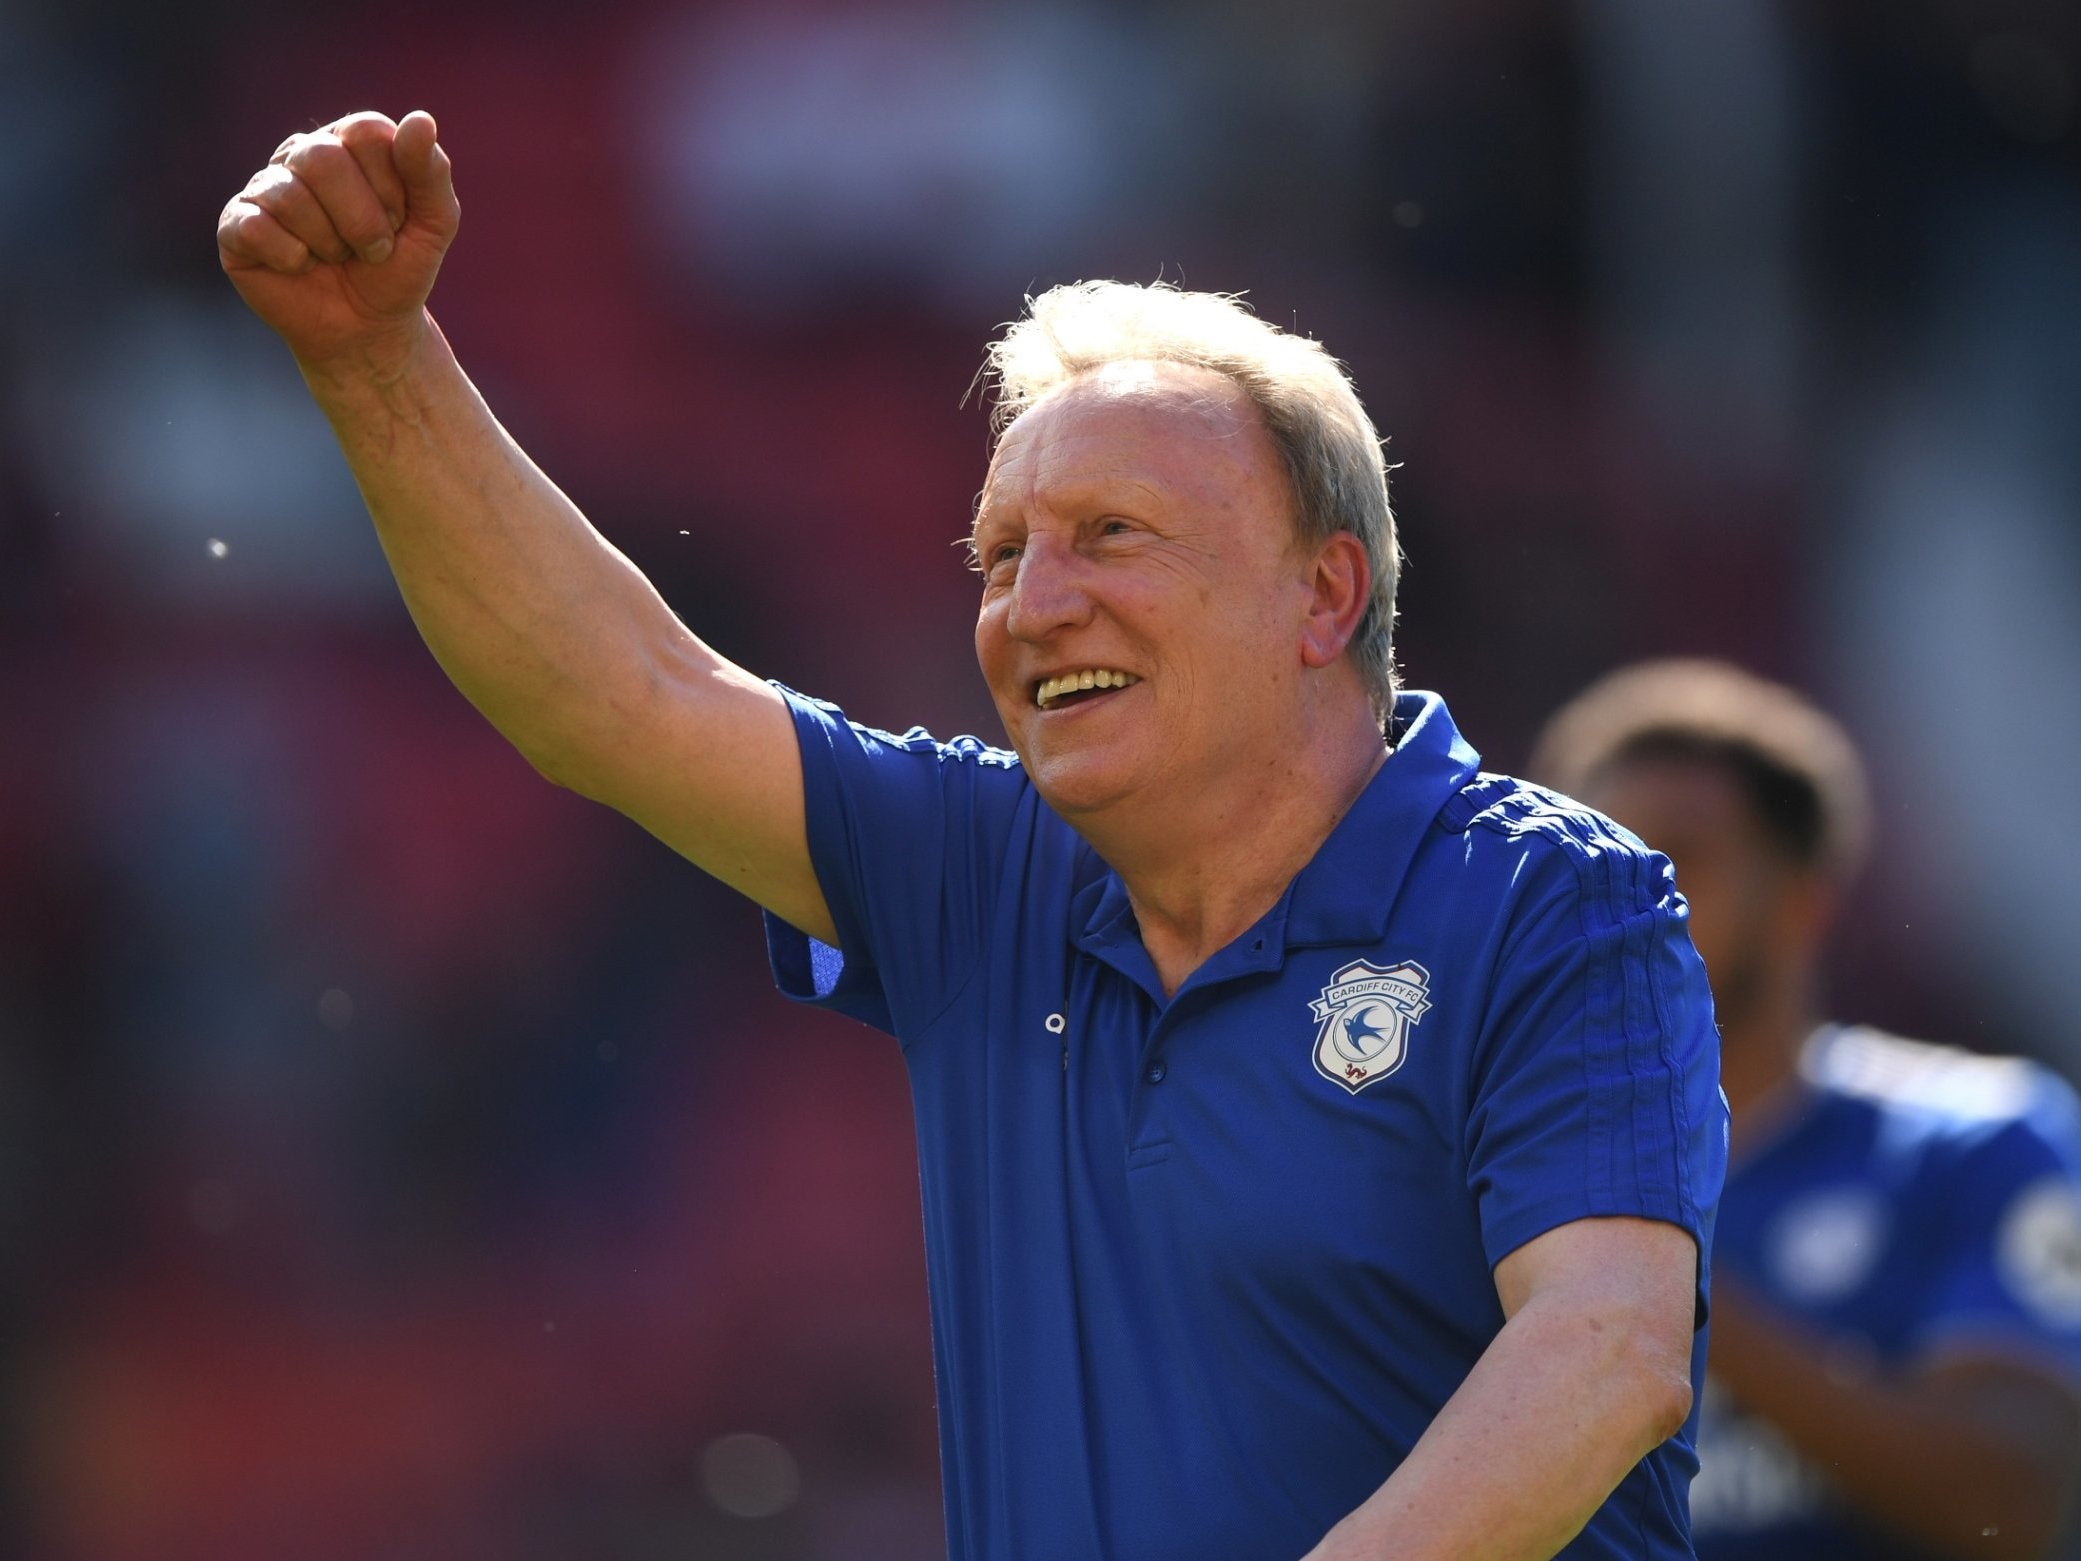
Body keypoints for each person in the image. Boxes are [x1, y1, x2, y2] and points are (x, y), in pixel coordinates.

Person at [217, 111, 1726, 1561]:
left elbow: (1604, 1357)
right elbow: (617, 696)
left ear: (1325, 598)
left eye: (1111, 536)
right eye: (1003, 553)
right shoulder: (981, 869)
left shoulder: (1548, 900)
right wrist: (370, 362)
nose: (1033, 603)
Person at [1530, 659, 2081, 1561]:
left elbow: (2006, 1501)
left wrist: (1666, 1285)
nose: (1621, 902)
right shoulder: (1491, 1171)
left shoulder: (1975, 1138)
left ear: (1798, 901)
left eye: (1676, 857)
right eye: (1591, 861)